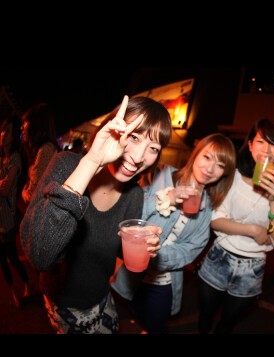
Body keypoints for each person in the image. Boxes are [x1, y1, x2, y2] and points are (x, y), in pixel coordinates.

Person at [20, 95, 172, 334]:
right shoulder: (66, 165)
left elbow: (119, 249)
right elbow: (40, 254)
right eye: (134, 137)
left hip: (102, 296)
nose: (139, 157)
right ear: (111, 129)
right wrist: (92, 160)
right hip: (65, 302)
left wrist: (143, 244)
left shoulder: (134, 194)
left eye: (153, 148)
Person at [112, 133, 237, 334]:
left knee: (155, 328)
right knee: (118, 321)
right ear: (196, 153)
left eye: (220, 165)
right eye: (207, 157)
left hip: (163, 282)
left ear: (224, 173)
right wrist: (166, 199)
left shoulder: (207, 206)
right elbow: (129, 215)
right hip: (130, 274)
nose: (210, 168)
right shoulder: (160, 175)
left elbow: (192, 248)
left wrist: (157, 256)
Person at [197, 118, 274, 334]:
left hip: (252, 268)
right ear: (250, 145)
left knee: (227, 324)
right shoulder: (233, 176)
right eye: (261, 142)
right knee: (205, 316)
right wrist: (253, 230)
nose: (266, 150)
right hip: (219, 257)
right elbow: (215, 220)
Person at [0, 115, 33, 310]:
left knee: (12, 257)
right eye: (3, 130)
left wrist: (3, 184)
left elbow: (5, 190)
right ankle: (14, 292)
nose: (3, 134)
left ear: (14, 137)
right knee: (1, 259)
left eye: (8, 131)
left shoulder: (15, 159)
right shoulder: (1, 158)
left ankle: (28, 283)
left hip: (8, 218)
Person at [20, 102, 59, 209]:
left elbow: (33, 197)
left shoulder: (46, 150)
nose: (22, 128)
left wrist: (23, 191)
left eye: (25, 122)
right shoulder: (40, 149)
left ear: (36, 123)